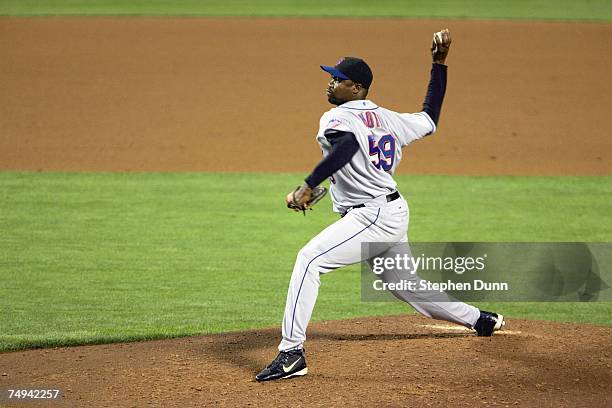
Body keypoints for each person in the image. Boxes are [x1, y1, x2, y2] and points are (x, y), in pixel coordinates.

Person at [255, 29, 504, 382]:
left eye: (338, 79)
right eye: (330, 77)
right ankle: (479, 319)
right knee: (403, 283)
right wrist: (438, 64)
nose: (330, 83)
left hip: (372, 215)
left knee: (309, 259)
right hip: (391, 211)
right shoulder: (389, 118)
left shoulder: (336, 119)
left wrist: (309, 185)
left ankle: (291, 352)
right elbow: (430, 117)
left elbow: (346, 149)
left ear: (356, 88)